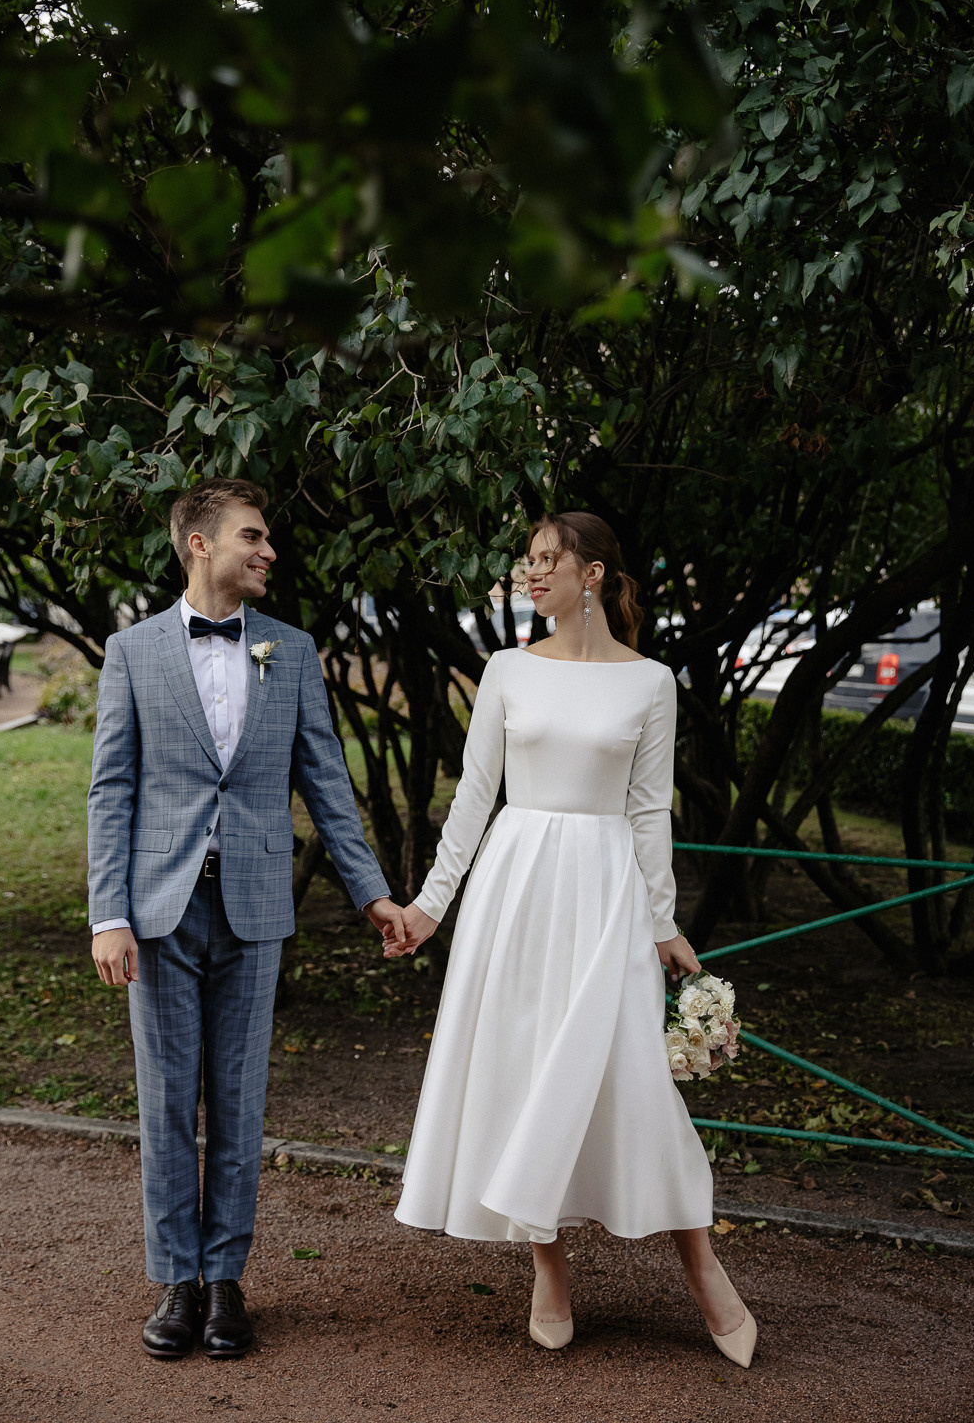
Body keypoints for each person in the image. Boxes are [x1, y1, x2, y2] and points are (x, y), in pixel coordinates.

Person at [386, 511, 757, 1367]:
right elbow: (475, 798)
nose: (532, 574)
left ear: (592, 574)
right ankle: (546, 1269)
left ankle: (703, 1271)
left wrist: (662, 923)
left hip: (607, 897)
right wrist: (431, 907)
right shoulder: (508, 669)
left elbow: (645, 812)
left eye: (547, 560)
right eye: (528, 562)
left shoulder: (649, 682)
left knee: (633, 1078)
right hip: (515, 891)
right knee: (524, 1072)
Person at [88, 478, 404, 1360]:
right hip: (157, 911)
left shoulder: (291, 650)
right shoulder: (132, 651)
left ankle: (225, 1281)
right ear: (199, 544)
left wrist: (369, 890)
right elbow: (111, 790)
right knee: (164, 1101)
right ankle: (174, 1280)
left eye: (268, 539)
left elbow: (327, 782)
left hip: (256, 905)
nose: (268, 552)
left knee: (236, 1102)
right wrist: (106, 912)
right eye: (253, 537)